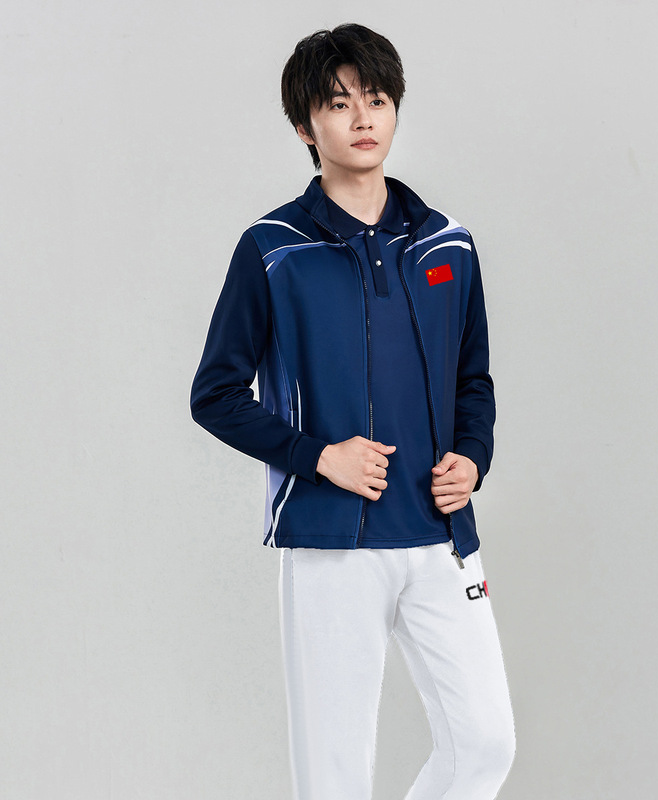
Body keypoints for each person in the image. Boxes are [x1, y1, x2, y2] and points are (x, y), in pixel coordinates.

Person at [190, 23, 515, 800]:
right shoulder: (273, 248)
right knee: (333, 776)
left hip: (440, 536)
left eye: (376, 98)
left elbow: (473, 380)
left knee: (484, 745)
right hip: (331, 542)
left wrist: (473, 458)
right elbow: (215, 394)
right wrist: (318, 457)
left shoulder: (449, 243)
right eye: (338, 104)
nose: (363, 117)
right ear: (306, 127)